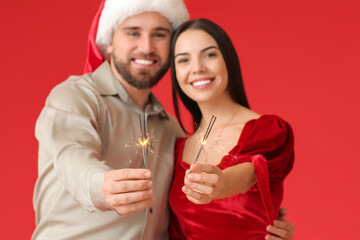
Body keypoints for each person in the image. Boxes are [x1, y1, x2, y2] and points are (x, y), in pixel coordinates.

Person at [32, 0, 294, 239]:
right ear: (108, 42)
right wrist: (101, 185)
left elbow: (186, 222)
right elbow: (72, 157)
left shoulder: (172, 132)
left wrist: (262, 223)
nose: (146, 47)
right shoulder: (75, 97)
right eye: (133, 32)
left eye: (159, 34)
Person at [168, 18, 295, 240]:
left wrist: (219, 184)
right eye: (184, 60)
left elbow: (248, 175)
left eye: (209, 54)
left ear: (228, 59)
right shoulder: (177, 148)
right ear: (175, 73)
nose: (198, 68)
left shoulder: (269, 131)